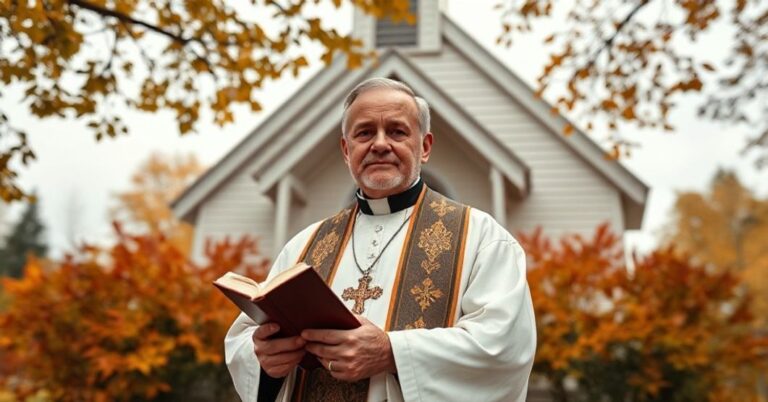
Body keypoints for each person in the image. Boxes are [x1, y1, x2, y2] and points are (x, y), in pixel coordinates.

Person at [224, 77, 536, 402]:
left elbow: (503, 346)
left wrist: (392, 352)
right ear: (347, 150)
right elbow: (244, 342)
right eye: (364, 132)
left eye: (398, 131)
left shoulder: (482, 238)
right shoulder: (303, 246)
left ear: (425, 146)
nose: (380, 144)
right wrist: (266, 360)